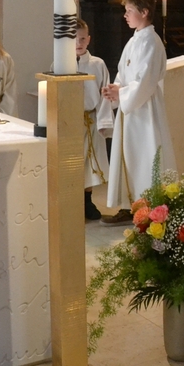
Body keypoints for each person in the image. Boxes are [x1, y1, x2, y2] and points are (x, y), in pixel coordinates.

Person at [102, 0, 177, 224]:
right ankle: (130, 205)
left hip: (146, 111)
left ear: (144, 12)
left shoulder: (152, 43)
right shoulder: (134, 40)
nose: (125, 15)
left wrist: (122, 93)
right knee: (129, 157)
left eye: (129, 11)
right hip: (130, 109)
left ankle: (150, 209)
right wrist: (115, 88)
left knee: (145, 157)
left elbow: (146, 81)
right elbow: (123, 72)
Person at [75, 19, 112, 221]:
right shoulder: (60, 64)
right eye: (74, 39)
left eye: (82, 39)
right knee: (75, 160)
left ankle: (87, 200)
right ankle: (73, 200)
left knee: (90, 162)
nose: (78, 43)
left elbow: (105, 93)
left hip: (91, 118)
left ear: (88, 39)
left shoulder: (97, 64)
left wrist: (104, 121)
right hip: (71, 120)